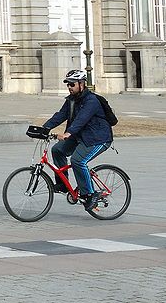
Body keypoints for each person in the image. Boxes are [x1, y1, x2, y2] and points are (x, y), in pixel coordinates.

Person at [40, 69, 112, 204]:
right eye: (68, 84)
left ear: (82, 84)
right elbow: (61, 115)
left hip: (97, 139)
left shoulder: (92, 101)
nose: (69, 87)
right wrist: (44, 128)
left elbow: (81, 119)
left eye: (72, 84)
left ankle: (89, 194)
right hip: (80, 136)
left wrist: (68, 133)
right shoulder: (71, 100)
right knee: (57, 150)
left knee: (78, 161)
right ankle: (62, 184)